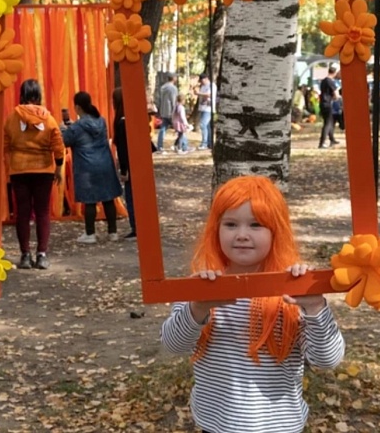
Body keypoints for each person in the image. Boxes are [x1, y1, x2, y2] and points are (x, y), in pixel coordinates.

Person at [160, 175, 345, 433]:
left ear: (276, 230)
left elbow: (327, 360)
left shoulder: (293, 289)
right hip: (216, 425)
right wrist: (198, 307)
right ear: (217, 229)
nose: (242, 235)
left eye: (256, 225)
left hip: (279, 426)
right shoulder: (201, 286)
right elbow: (173, 345)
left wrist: (315, 308)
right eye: (231, 224)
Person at [3, 79, 65, 270]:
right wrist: (58, 167)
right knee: (42, 212)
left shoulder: (13, 117)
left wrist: (10, 165)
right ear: (38, 96)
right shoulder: (49, 119)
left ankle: (24, 255)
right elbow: (58, 146)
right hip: (43, 171)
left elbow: (5, 144)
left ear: (22, 94)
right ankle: (42, 255)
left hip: (19, 171)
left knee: (22, 213)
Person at [61, 91, 122, 244]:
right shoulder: (101, 121)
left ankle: (90, 234)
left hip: (87, 166)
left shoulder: (78, 126)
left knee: (90, 200)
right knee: (108, 198)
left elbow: (65, 141)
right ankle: (113, 232)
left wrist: (64, 129)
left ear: (77, 107)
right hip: (105, 163)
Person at [112, 88, 137, 240]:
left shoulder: (122, 122)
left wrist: (124, 170)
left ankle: (136, 228)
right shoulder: (132, 118)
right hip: (138, 163)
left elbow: (123, 149)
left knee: (131, 197)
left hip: (130, 165)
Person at [154, 73, 178, 153]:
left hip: (164, 110)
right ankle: (181, 145)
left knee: (163, 129)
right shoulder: (173, 88)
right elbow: (173, 100)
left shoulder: (163, 87)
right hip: (171, 111)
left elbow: (159, 99)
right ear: (173, 78)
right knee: (180, 128)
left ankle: (160, 146)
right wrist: (175, 111)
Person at [318, 67, 340, 149]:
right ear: (334, 73)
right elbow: (336, 94)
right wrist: (337, 97)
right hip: (327, 104)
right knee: (328, 123)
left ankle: (332, 139)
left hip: (322, 103)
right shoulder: (330, 81)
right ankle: (322, 142)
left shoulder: (323, 81)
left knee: (329, 122)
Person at [196, 74, 213, 150]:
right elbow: (201, 95)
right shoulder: (202, 86)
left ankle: (204, 143)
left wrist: (199, 93)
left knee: (203, 125)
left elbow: (209, 94)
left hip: (208, 108)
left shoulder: (211, 85)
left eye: (202, 80)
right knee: (207, 126)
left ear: (206, 78)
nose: (201, 82)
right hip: (202, 108)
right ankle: (209, 143)